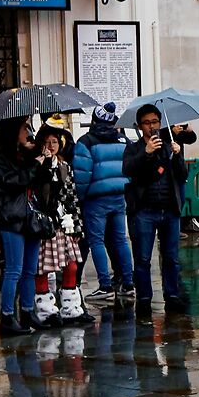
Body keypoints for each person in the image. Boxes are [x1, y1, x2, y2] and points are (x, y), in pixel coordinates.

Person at [125, 103, 193, 315]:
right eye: (147, 123)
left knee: (171, 256)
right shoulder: (134, 148)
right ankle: (144, 299)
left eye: (154, 122)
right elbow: (128, 169)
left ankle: (172, 296)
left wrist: (178, 155)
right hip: (144, 210)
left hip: (169, 209)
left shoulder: (168, 146)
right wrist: (146, 153)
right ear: (139, 126)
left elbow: (182, 176)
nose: (151, 126)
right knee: (143, 258)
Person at [0, 117, 45, 333]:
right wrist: (34, 166)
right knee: (14, 269)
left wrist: (38, 156)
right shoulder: (0, 159)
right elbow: (15, 182)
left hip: (30, 217)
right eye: (24, 128)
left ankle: (28, 312)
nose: (28, 132)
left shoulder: (25, 155)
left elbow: (38, 180)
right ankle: (8, 316)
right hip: (12, 218)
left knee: (30, 270)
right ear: (13, 131)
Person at [72, 104, 133, 304]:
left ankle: (105, 286)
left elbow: (82, 175)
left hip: (95, 200)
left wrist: (81, 198)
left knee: (96, 241)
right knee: (121, 240)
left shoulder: (85, 142)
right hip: (119, 196)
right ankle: (128, 284)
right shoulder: (123, 140)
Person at [31, 124, 90, 326]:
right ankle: (45, 311)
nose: (50, 146)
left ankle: (71, 308)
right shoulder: (35, 165)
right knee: (44, 268)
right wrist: (42, 166)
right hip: (44, 224)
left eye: (54, 142)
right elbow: (37, 195)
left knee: (72, 265)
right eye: (46, 142)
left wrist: (77, 225)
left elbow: (72, 198)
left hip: (64, 224)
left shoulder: (65, 166)